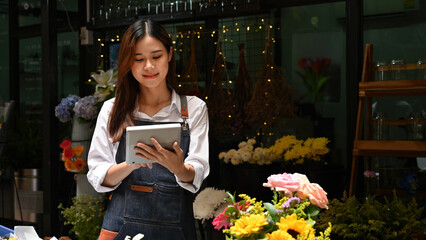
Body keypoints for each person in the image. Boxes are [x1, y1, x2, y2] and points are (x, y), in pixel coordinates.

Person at [87, 19, 210, 240]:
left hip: (176, 230)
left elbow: (198, 171)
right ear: (127, 62)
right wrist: (130, 164)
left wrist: (178, 167)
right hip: (120, 227)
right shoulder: (112, 110)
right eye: (138, 59)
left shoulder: (193, 109)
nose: (149, 67)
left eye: (156, 56)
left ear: (170, 54)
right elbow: (98, 175)